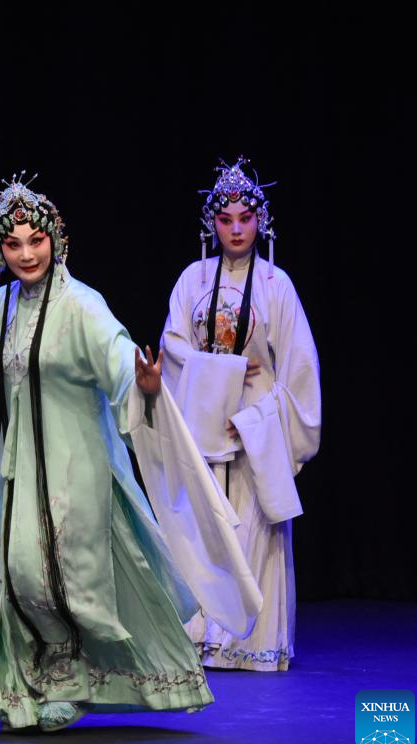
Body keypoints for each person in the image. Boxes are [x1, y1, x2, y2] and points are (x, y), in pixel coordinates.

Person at [0, 176, 260, 731]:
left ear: (55, 240)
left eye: (35, 241)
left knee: (67, 580)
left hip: (77, 466)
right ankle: (25, 690)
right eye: (13, 244)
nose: (26, 254)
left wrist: (144, 386)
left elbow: (119, 359)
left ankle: (71, 686)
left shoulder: (82, 305)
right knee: (19, 576)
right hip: (20, 471)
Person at [161, 158, 321, 671]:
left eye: (245, 219)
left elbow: (298, 368)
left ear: (261, 221)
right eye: (225, 219)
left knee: (251, 529)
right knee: (202, 527)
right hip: (203, 416)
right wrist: (218, 375)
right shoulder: (192, 279)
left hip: (256, 422)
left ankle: (249, 643)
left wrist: (259, 418)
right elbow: (173, 347)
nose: (235, 229)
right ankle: (199, 636)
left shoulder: (277, 285)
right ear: (211, 223)